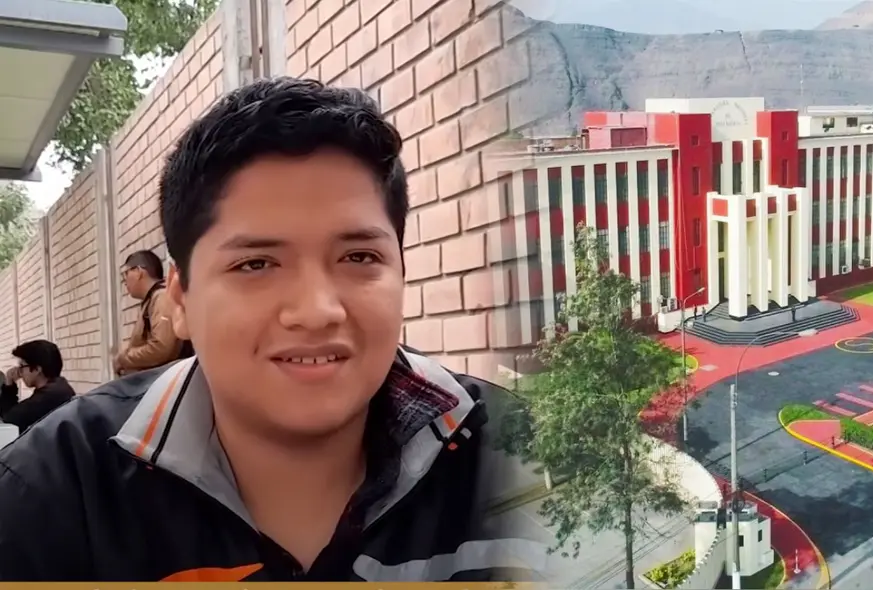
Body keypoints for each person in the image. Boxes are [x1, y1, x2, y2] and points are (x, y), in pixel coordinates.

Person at [0, 78, 542, 581]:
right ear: (181, 298)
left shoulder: (530, 463)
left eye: (358, 256)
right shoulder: (53, 492)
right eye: (255, 264)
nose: (316, 311)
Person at [115, 249, 188, 375]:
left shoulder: (161, 297)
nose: (124, 280)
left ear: (138, 272)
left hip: (160, 381)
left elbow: (161, 347)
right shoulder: (152, 299)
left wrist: (124, 358)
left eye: (126, 273)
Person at [0, 340, 75, 432]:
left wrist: (9, 384)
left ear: (37, 369)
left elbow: (10, 421)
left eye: (22, 366)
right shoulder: (57, 388)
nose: (20, 372)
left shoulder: (49, 396)